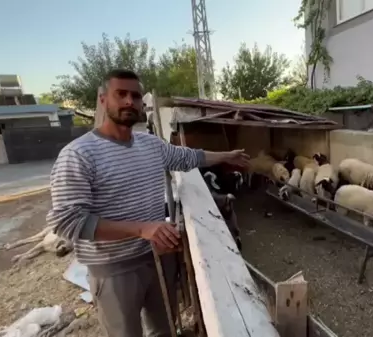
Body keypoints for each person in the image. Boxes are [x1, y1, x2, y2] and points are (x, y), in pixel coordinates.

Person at [46, 69, 249, 337]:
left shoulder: (150, 145)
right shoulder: (79, 154)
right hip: (114, 270)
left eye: (136, 96)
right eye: (122, 94)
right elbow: (67, 222)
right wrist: (142, 229)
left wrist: (227, 155)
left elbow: (188, 157)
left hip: (156, 258)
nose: (130, 101)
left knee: (164, 330)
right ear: (103, 99)